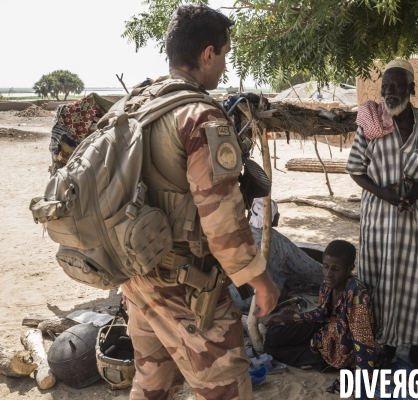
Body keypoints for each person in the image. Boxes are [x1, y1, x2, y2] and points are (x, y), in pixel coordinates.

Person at [120, 5, 279, 400]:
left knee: (152, 381)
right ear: (207, 53)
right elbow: (221, 224)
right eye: (224, 53)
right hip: (186, 284)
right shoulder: (201, 117)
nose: (224, 65)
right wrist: (261, 282)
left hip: (137, 274)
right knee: (227, 388)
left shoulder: (136, 104)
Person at [346, 60, 418, 367]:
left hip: (416, 217)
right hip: (379, 219)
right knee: (379, 280)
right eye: (385, 86)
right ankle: (388, 342)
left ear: (412, 88)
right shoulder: (372, 121)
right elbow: (355, 169)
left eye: (395, 85)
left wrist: (415, 192)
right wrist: (387, 195)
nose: (389, 92)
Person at [263, 240, 375, 396]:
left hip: (338, 350)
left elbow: (363, 343)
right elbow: (322, 313)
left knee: (274, 350)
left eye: (336, 269)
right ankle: (306, 347)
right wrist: (290, 318)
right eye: (326, 266)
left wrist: (362, 386)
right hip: (324, 329)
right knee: (273, 336)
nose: (328, 274)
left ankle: (316, 358)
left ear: (350, 269)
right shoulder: (328, 284)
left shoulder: (358, 297)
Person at [228, 198, 323, 311]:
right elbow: (308, 267)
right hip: (254, 302)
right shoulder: (277, 241)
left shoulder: (237, 234)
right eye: (276, 212)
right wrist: (329, 276)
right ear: (271, 217)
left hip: (232, 298)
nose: (279, 215)